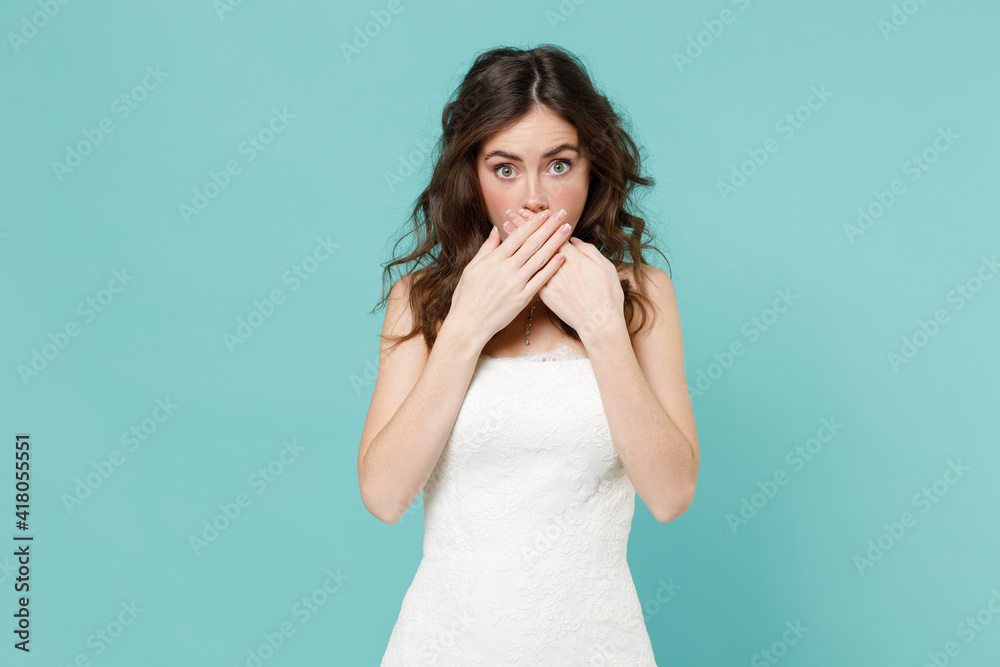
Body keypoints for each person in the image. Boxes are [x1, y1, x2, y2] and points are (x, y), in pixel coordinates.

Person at [358, 43, 699, 665]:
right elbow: (384, 496)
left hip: (597, 643)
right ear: (474, 175)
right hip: (450, 644)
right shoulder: (421, 299)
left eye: (559, 164)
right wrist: (465, 329)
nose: (535, 198)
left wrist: (601, 327)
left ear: (592, 167)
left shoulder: (643, 295)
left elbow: (671, 494)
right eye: (506, 168)